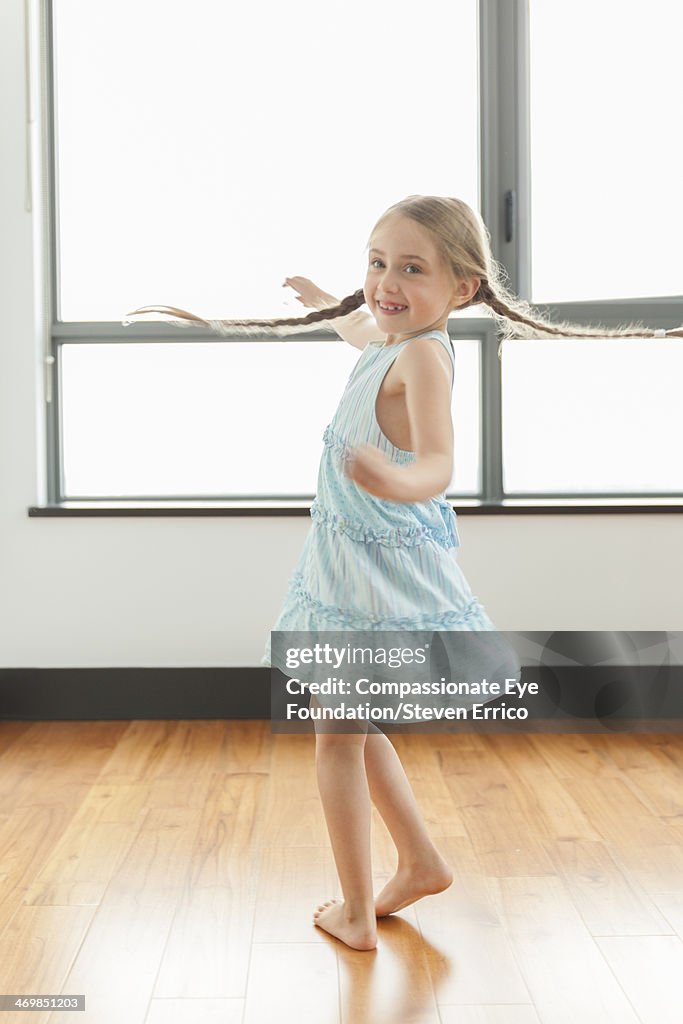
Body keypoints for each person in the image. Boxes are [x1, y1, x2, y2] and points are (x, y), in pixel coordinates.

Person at [123, 195, 682, 951]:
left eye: (411, 268)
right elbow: (360, 331)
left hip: (374, 580)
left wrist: (396, 480)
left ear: (461, 289)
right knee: (345, 726)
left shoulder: (423, 355)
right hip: (343, 570)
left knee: (335, 739)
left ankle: (356, 910)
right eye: (377, 262)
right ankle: (418, 861)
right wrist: (330, 304)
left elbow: (440, 461)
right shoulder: (390, 339)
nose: (386, 281)